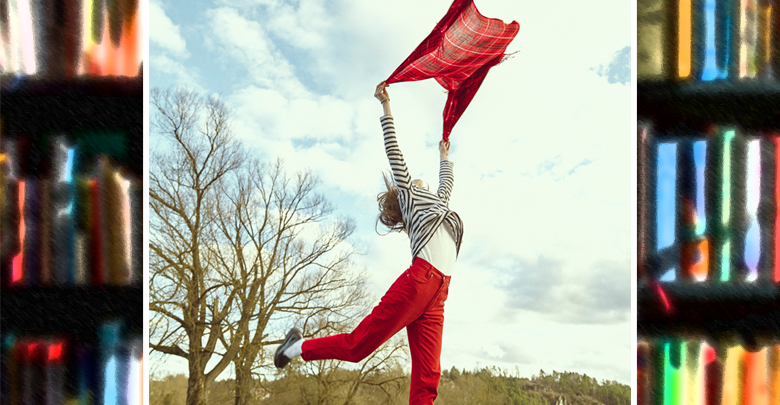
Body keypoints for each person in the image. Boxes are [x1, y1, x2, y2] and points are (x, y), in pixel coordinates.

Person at [274, 81, 464, 405]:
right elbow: (395, 151)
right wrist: (386, 106)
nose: (420, 179)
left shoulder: (439, 204)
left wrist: (444, 155)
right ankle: (296, 347)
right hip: (420, 281)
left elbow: (446, 181)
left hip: (439, 292)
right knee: (357, 346)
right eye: (415, 181)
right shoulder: (411, 198)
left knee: (428, 377)